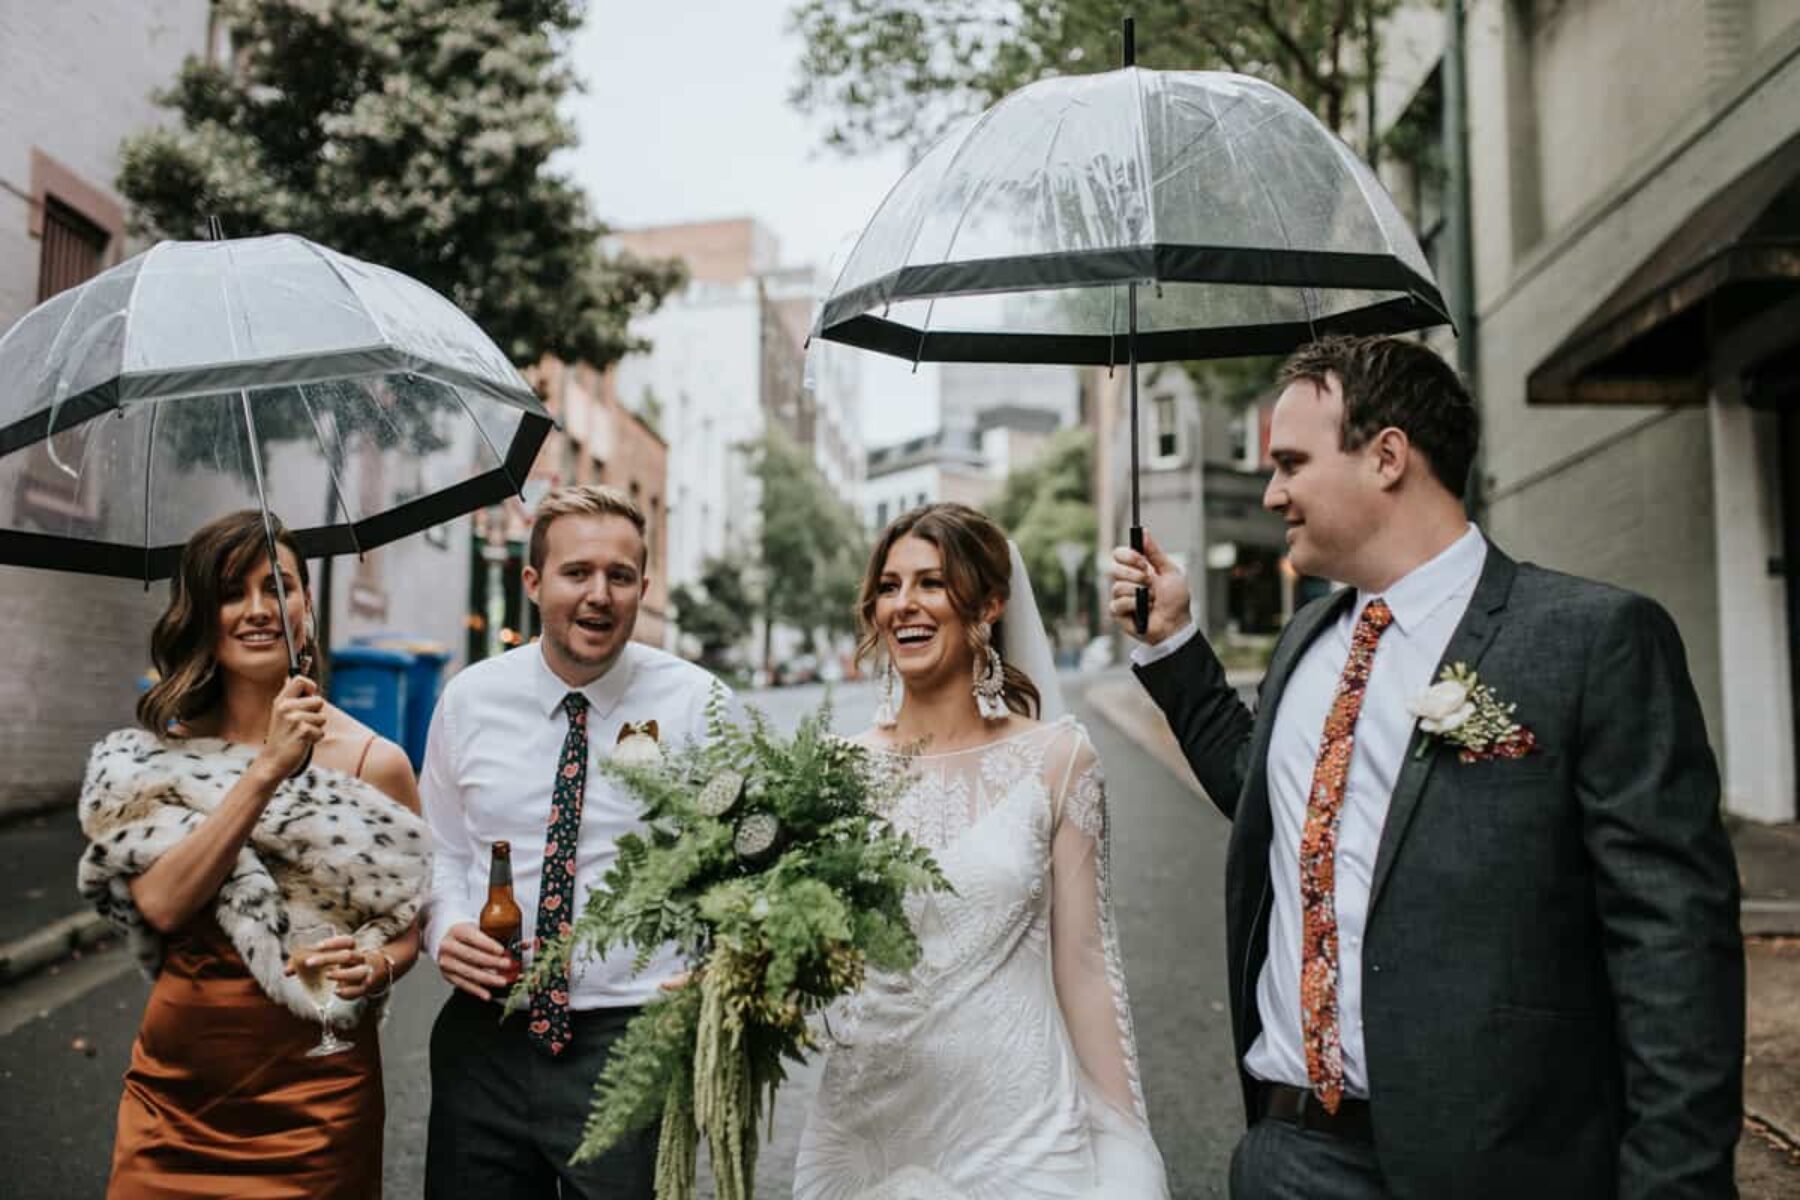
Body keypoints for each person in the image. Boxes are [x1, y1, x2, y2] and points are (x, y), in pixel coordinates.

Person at [1109, 335, 1744, 1199]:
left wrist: (1676, 1185)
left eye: (1291, 462)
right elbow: (1261, 790)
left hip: (1501, 1166)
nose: (1272, 493)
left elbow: (1673, 948)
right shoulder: (1306, 641)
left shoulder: (1591, 641)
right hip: (1288, 1155)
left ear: (1387, 456)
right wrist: (1175, 643)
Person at [794, 502, 1170, 1200]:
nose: (905, 604)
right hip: (868, 1128)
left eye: (932, 583)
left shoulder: (1059, 760)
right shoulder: (831, 772)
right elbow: (806, 958)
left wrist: (1125, 1136)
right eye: (889, 585)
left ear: (990, 604)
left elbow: (1087, 964)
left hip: (1021, 1128)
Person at [77, 510, 429, 1199]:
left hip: (317, 1106)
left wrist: (376, 963)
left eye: (280, 587)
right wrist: (265, 769)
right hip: (175, 1100)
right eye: (233, 592)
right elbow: (162, 903)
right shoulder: (159, 756)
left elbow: (407, 930)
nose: (259, 609)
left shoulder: (374, 762)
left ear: (306, 606)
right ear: (203, 613)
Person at [421, 484, 729, 1199]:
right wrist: (444, 929)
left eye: (619, 577)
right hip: (485, 1039)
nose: (599, 595)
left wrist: (723, 960)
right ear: (533, 582)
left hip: (634, 1038)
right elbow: (439, 848)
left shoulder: (699, 706)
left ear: (643, 588)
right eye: (577, 573)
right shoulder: (469, 700)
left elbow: (747, 866)